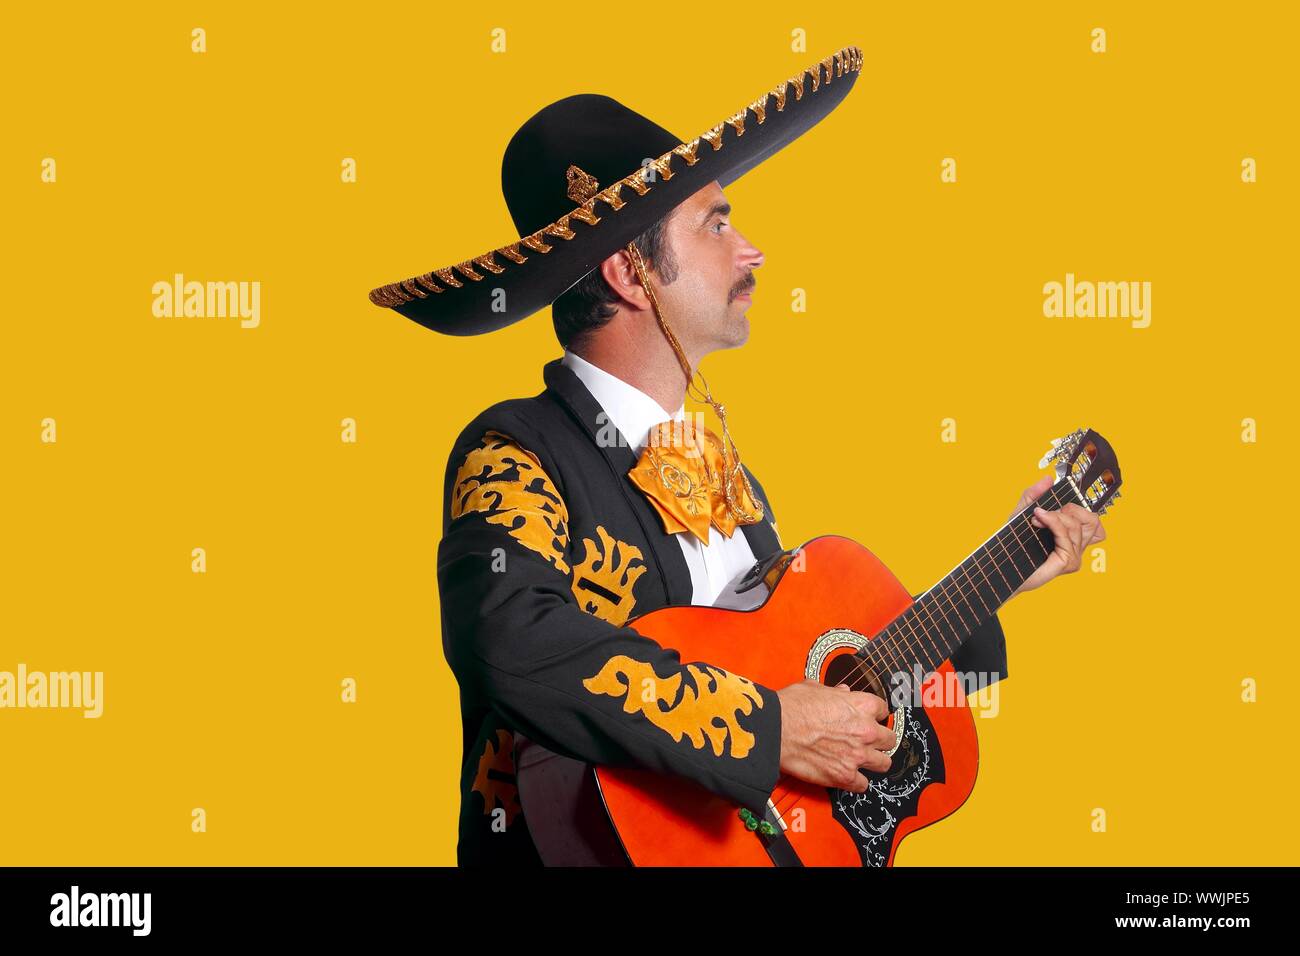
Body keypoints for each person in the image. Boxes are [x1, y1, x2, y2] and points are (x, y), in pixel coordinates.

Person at [368, 44, 1105, 866]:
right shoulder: (515, 450)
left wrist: (1002, 575)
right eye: (716, 223)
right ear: (628, 271)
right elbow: (509, 638)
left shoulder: (726, 476)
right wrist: (767, 727)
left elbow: (832, 705)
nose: (750, 250)